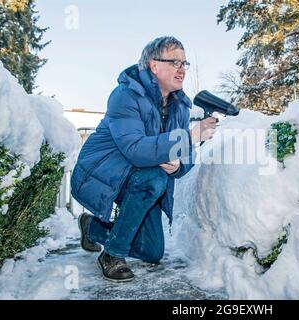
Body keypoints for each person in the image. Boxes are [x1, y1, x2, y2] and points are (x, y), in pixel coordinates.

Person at [70, 36, 217, 282]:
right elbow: (135, 148)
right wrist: (189, 136)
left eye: (184, 63)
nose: (182, 69)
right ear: (153, 65)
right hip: (104, 175)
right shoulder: (125, 95)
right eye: (175, 62)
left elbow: (186, 156)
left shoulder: (180, 106)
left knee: (152, 252)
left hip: (140, 180)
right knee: (154, 176)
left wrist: (177, 166)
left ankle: (92, 228)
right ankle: (112, 255)